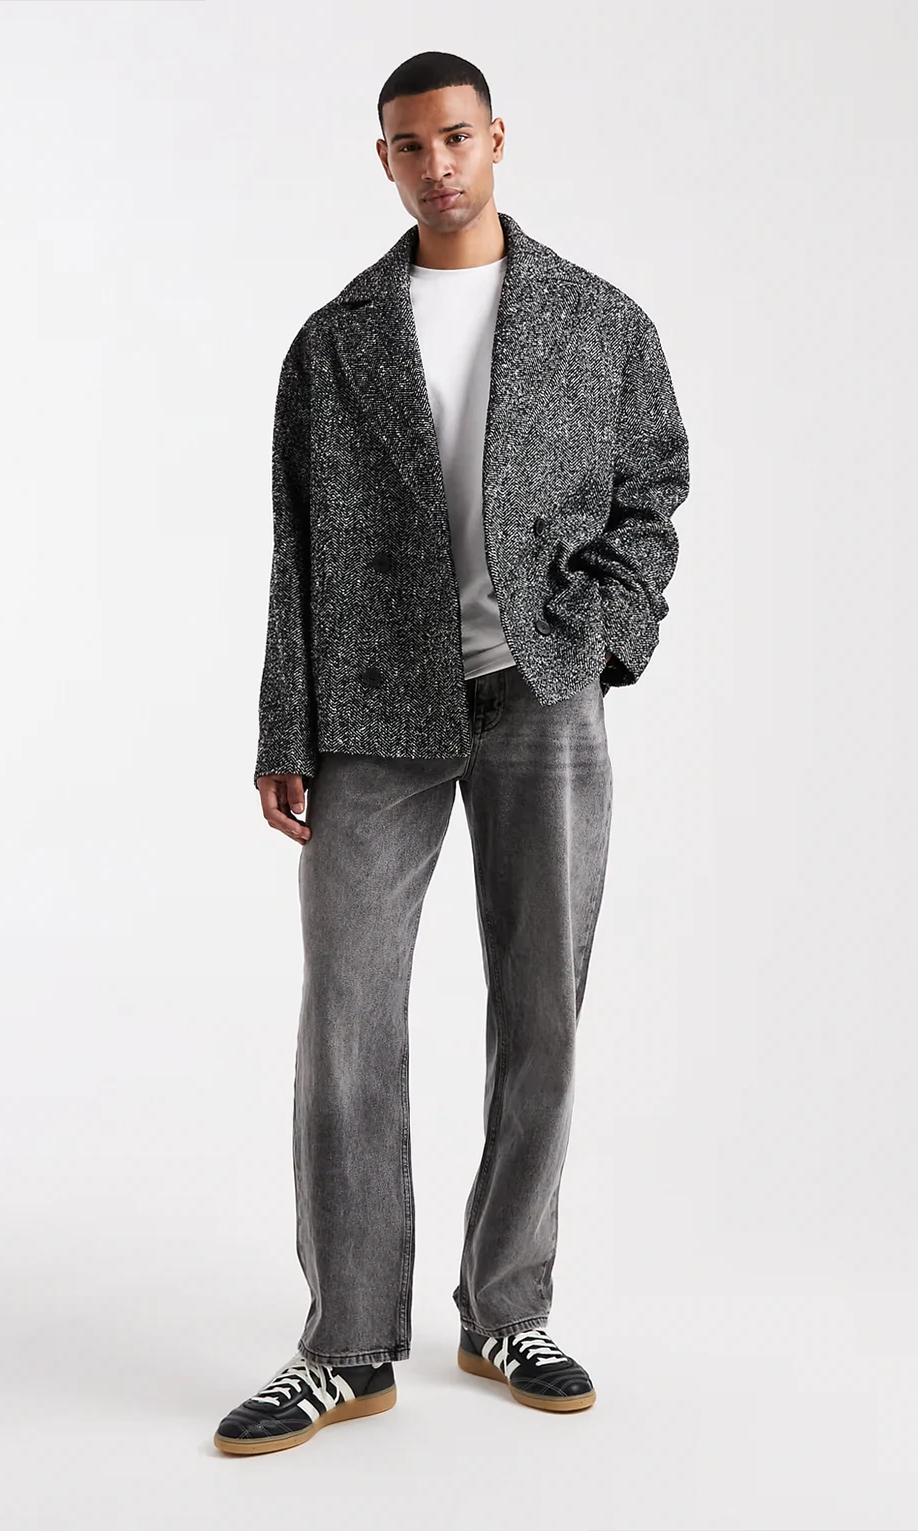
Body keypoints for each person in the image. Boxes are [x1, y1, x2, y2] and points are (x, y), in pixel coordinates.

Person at [214, 49, 690, 1456]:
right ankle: (348, 1343)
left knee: (544, 1007)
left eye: (458, 138)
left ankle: (506, 1309)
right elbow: (297, 546)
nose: (439, 166)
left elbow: (654, 489)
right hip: (372, 703)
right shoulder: (335, 341)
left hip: (542, 690)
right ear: (385, 159)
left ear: (497, 139)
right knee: (347, 1021)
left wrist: (599, 635)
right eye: (412, 146)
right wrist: (285, 723)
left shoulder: (599, 322)